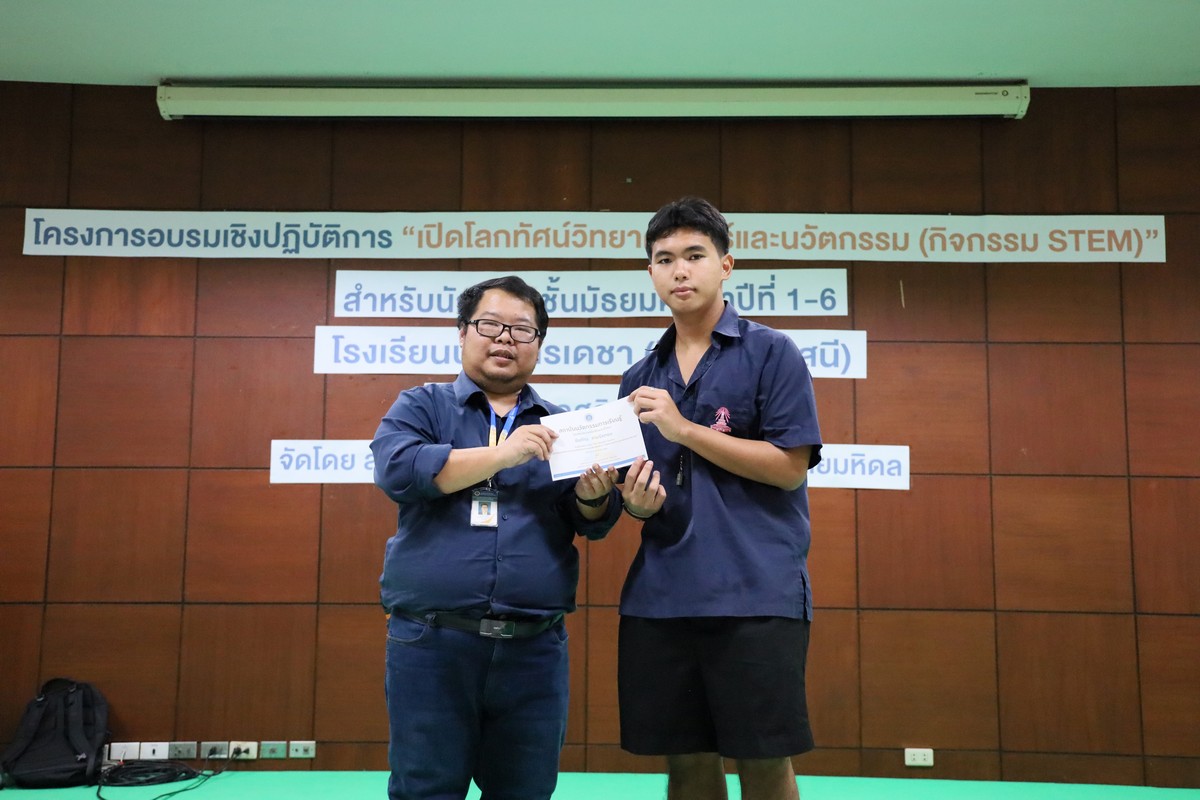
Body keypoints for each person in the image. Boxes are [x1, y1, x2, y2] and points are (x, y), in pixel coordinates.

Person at [371, 275, 625, 800]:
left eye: (522, 329)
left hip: (534, 648)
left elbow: (592, 521)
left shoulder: (563, 426)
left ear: (539, 343)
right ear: (462, 332)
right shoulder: (422, 405)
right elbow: (400, 471)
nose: (506, 338)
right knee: (425, 789)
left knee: (525, 791)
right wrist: (505, 454)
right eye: (490, 325)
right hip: (432, 642)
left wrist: (593, 496)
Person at [618, 197, 823, 800]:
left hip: (754, 594)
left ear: (726, 265)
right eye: (664, 259)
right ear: (650, 273)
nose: (679, 270)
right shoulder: (638, 377)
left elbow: (788, 468)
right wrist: (635, 503)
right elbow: (641, 493)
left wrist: (683, 429)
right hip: (662, 597)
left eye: (694, 255)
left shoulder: (772, 352)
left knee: (763, 762)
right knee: (686, 765)